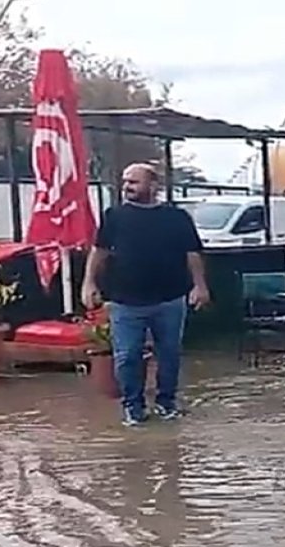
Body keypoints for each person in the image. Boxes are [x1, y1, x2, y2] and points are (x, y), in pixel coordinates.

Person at [82, 163, 210, 426]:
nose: (127, 186)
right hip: (125, 299)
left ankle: (166, 403)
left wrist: (200, 286)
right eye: (125, 181)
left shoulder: (177, 217)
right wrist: (89, 283)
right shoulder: (115, 216)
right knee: (127, 355)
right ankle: (133, 407)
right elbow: (99, 251)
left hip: (170, 297)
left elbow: (192, 253)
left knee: (169, 354)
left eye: (134, 182)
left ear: (154, 186)